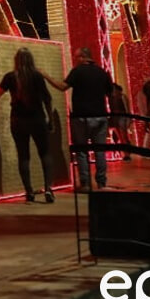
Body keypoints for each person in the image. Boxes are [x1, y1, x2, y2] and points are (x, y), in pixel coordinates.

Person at [0, 47, 56, 203]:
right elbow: (47, 98)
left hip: (18, 121)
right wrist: (51, 120)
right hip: (38, 119)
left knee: (23, 156)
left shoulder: (10, 77)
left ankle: (29, 192)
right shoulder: (37, 76)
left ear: (16, 60)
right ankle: (48, 189)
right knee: (45, 154)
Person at [43, 46, 112, 191]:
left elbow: (62, 87)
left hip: (81, 117)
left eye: (76, 57)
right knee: (100, 150)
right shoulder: (102, 72)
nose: (75, 60)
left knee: (81, 151)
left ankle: (85, 184)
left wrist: (46, 76)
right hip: (100, 116)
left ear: (82, 57)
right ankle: (101, 183)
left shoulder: (78, 71)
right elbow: (110, 93)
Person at [108, 83, 133, 161]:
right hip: (115, 118)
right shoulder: (111, 98)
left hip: (122, 117)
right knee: (120, 137)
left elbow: (127, 108)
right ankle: (125, 153)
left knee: (124, 136)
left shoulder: (122, 97)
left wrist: (129, 119)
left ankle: (127, 153)